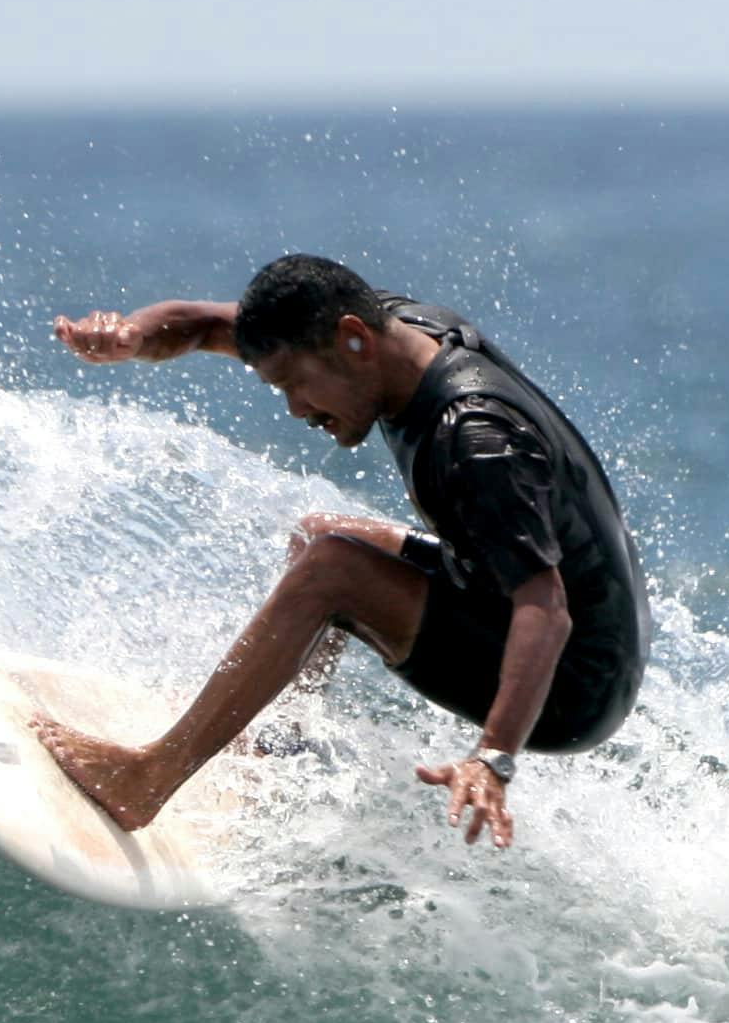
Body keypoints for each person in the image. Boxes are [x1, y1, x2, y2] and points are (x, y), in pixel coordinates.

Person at [40, 254, 646, 848]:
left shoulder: (476, 440)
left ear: (354, 341)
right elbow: (206, 323)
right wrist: (132, 336)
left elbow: (547, 608)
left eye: (297, 385)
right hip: (504, 593)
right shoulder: (387, 329)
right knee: (321, 536)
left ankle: (146, 781)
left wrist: (492, 760)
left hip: (572, 684)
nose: (297, 409)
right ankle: (282, 741)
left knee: (334, 570)